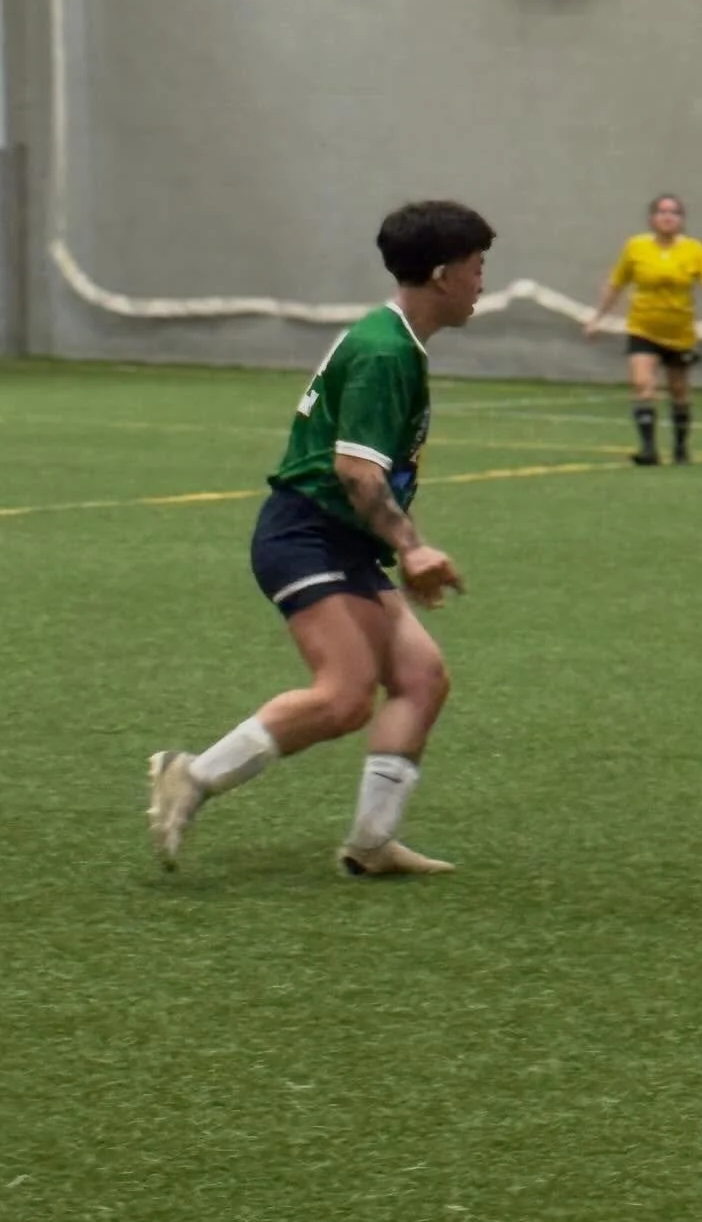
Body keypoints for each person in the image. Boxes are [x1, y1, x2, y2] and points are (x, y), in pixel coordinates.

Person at [148, 199, 496, 876]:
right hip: (305, 534)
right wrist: (413, 547)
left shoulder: (391, 340)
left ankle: (370, 844)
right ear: (443, 274)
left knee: (421, 677)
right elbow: (357, 471)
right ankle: (190, 775)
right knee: (342, 696)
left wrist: (400, 545)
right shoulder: (384, 351)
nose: (483, 281)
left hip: (343, 542)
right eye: (478, 266)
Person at [584, 194, 702, 466]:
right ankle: (648, 449)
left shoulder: (694, 250)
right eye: (661, 212)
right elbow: (616, 284)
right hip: (642, 327)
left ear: (682, 220)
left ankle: (681, 447)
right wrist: (597, 317)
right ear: (652, 218)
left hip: (679, 332)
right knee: (642, 384)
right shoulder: (635, 247)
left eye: (674, 212)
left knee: (679, 391)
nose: (667, 217)